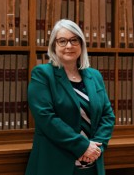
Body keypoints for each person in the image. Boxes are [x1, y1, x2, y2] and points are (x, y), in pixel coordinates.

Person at [25, 19, 115, 175]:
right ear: (54, 45)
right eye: (62, 41)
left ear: (81, 45)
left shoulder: (94, 76)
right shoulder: (42, 75)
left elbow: (107, 116)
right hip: (55, 164)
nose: (69, 46)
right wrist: (83, 146)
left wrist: (96, 148)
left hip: (92, 165)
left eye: (74, 40)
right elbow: (46, 118)